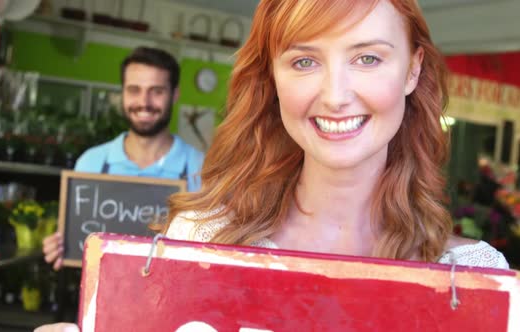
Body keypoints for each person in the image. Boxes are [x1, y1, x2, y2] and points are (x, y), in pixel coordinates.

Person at [36, 0, 508, 330]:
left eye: (367, 57)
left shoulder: (472, 277)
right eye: (304, 62)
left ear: (412, 70)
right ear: (274, 77)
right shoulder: (200, 242)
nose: (336, 95)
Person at [42, 47, 204, 270]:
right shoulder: (91, 164)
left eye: (156, 91)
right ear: (123, 93)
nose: (144, 102)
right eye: (134, 90)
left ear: (175, 94)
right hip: (104, 299)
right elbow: (78, 238)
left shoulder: (203, 169)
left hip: (173, 298)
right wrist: (61, 246)